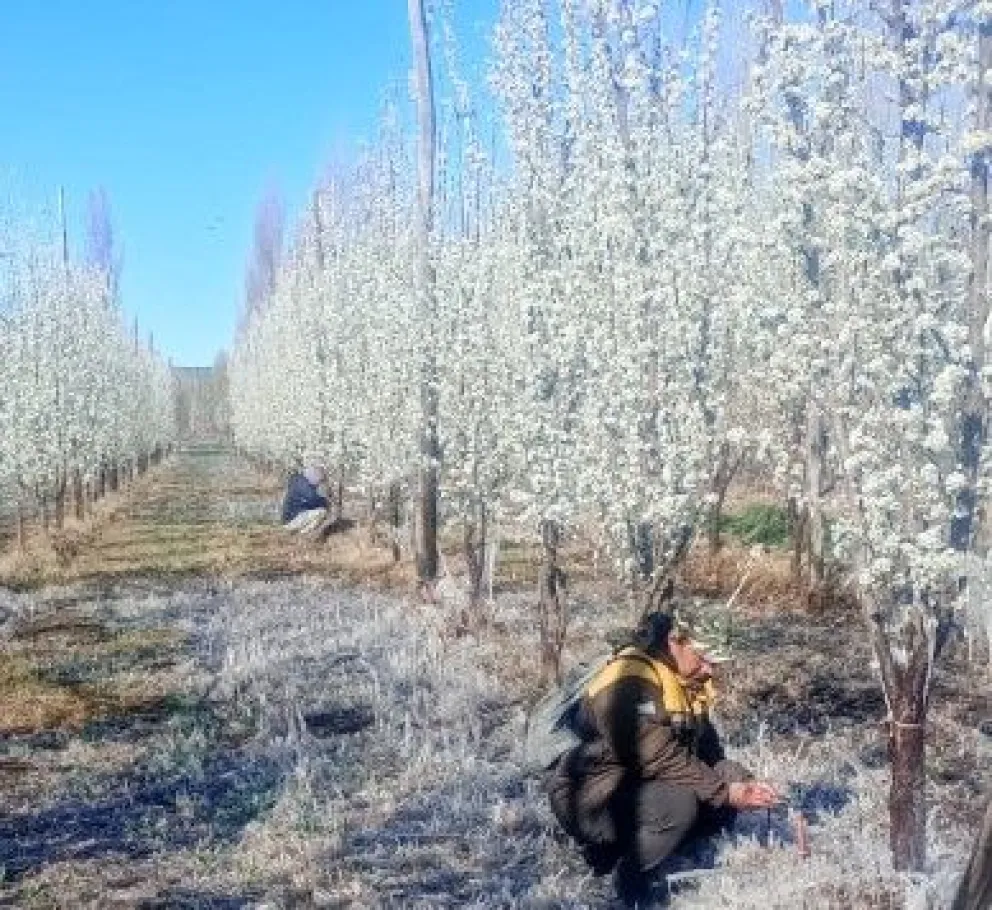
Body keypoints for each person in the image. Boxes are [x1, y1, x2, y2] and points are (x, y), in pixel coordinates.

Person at [544, 609, 780, 907]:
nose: (710, 671)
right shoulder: (628, 678)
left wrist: (744, 784)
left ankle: (652, 848)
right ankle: (627, 875)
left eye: (715, 663)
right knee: (680, 804)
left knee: (723, 782)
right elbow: (652, 755)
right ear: (676, 641)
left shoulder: (687, 683)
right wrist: (724, 792)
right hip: (590, 794)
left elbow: (709, 755)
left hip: (640, 788)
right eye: (704, 659)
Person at [281, 464, 330, 535]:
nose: (319, 483)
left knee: (319, 510)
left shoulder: (299, 481)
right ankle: (302, 535)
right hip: (291, 520)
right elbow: (313, 499)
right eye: (320, 480)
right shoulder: (302, 484)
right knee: (322, 512)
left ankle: (298, 534)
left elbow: (310, 502)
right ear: (314, 475)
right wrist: (325, 502)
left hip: (291, 518)